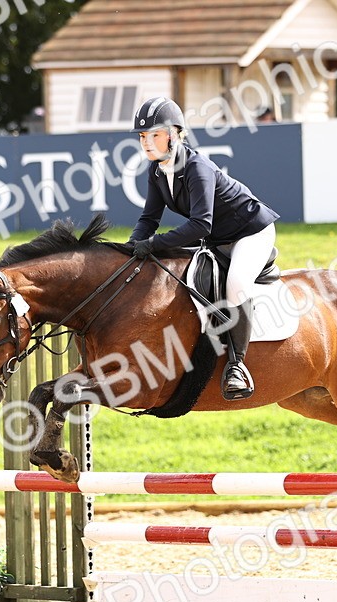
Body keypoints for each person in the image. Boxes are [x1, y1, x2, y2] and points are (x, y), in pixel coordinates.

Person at [127, 96, 280, 401]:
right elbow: (148, 218)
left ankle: (237, 366)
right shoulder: (156, 172)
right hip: (217, 239)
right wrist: (130, 249)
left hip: (251, 232)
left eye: (154, 134)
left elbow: (200, 225)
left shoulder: (197, 167)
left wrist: (153, 245)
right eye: (143, 136)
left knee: (236, 283)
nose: (146, 143)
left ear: (173, 134)